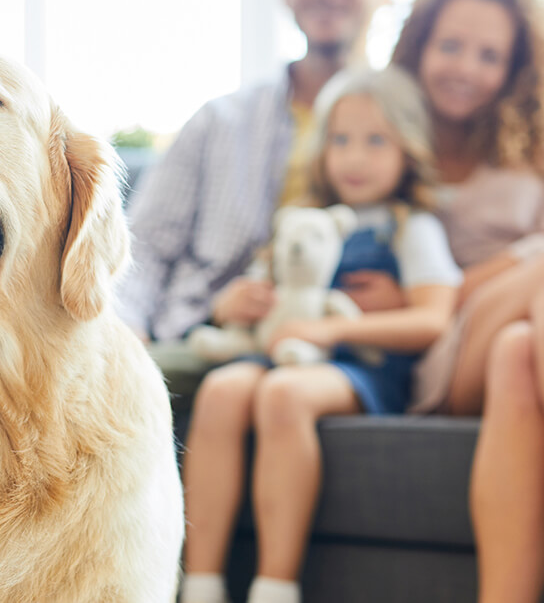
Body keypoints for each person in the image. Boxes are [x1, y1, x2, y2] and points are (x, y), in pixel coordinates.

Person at [179, 67, 461, 603]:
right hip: (278, 351)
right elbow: (262, 289)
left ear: (409, 149)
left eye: (376, 141)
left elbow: (433, 319)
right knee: (221, 391)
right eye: (341, 140)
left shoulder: (409, 225)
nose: (355, 157)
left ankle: (275, 585)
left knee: (284, 396)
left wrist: (329, 327)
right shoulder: (300, 218)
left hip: (362, 368)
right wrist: (230, 303)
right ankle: (202, 582)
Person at [118, 0, 388, 349]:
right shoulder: (219, 120)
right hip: (205, 333)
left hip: (340, 344)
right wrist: (129, 330)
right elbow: (142, 246)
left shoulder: (408, 122)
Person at [388, 0, 544, 601]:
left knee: (516, 352)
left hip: (512, 332)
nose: (468, 69)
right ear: (420, 45)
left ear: (513, 67)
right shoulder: (384, 139)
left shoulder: (527, 145)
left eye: (490, 56)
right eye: (452, 46)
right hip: (437, 346)